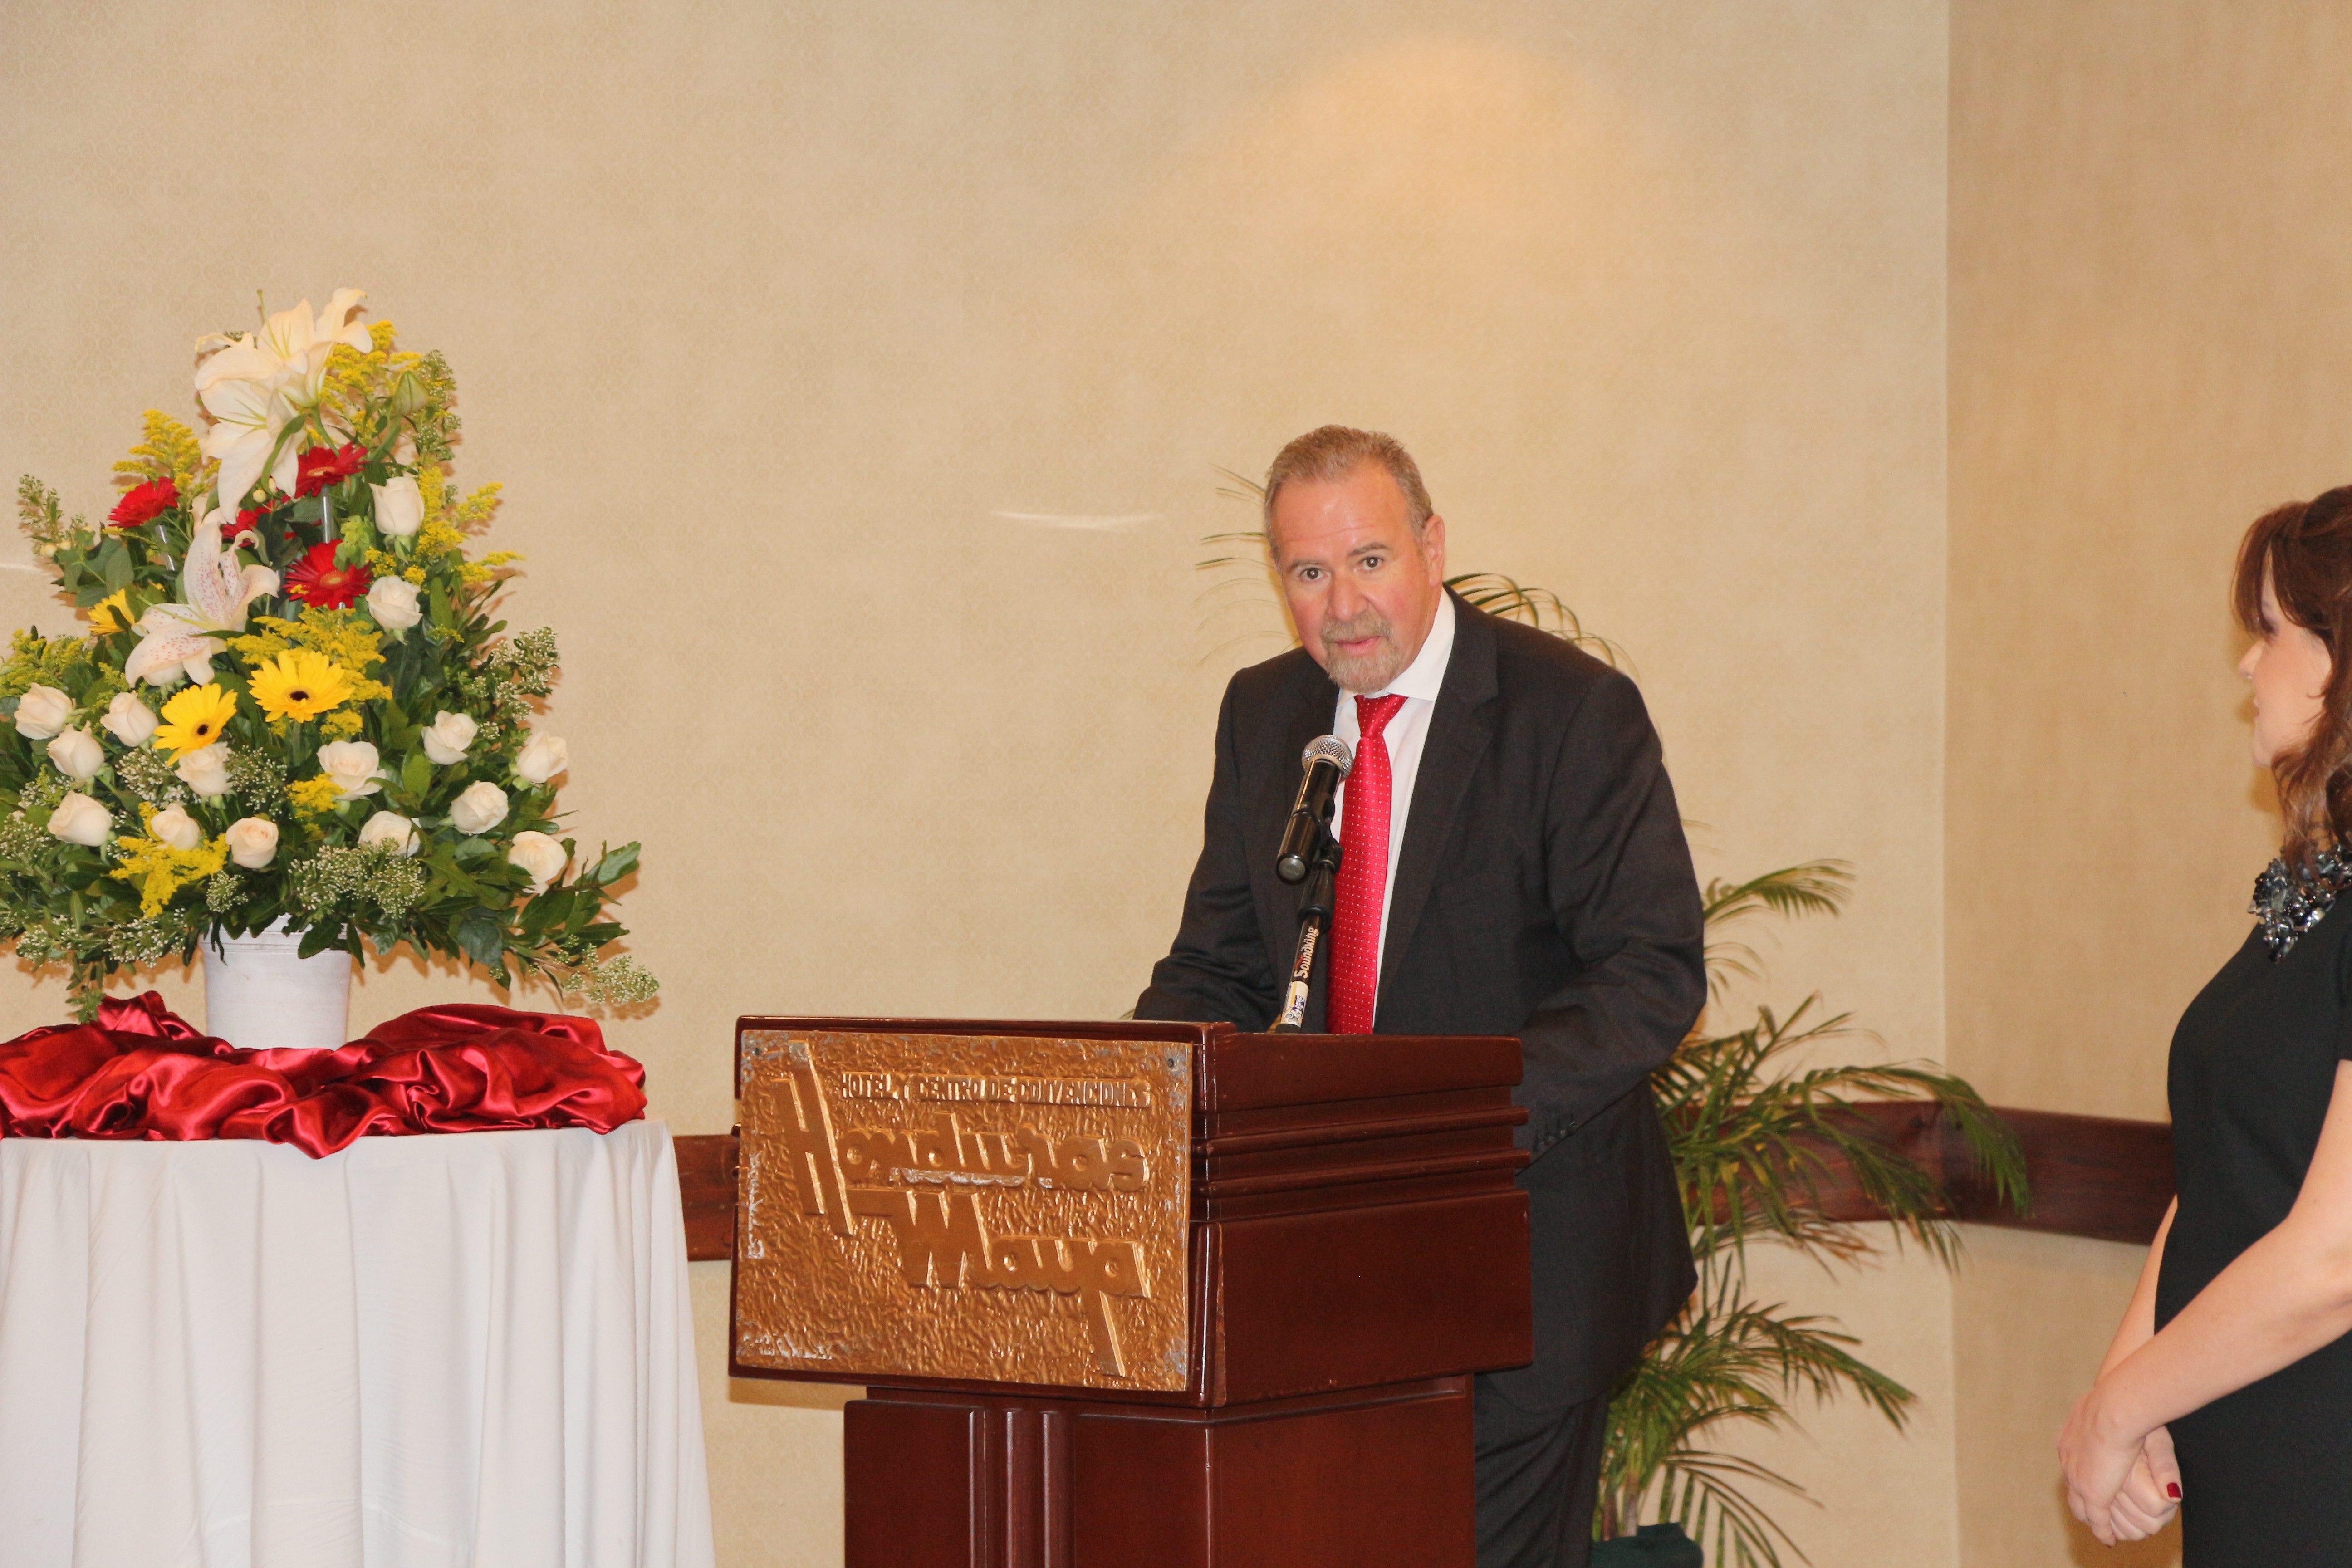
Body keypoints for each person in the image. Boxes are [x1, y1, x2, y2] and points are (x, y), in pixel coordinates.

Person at [1135, 426, 1705, 1568]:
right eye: (1308, 572)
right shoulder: (1265, 716)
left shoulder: (1568, 712)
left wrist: (1450, 1130)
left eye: (1370, 561)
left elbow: (1651, 973)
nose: (1341, 605)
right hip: (1325, 1278)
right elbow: (1220, 965)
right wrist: (1128, 1104)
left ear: (1433, 546)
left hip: (1530, 1266)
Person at [2059, 485, 2352, 1562]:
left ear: (2342, 657)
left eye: (2270, 631)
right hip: (2257, 1459)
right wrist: (2123, 1389)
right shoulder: (2312, 892)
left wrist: (2121, 1411)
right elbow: (2222, 1174)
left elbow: (2337, 1256)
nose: (2246, 665)